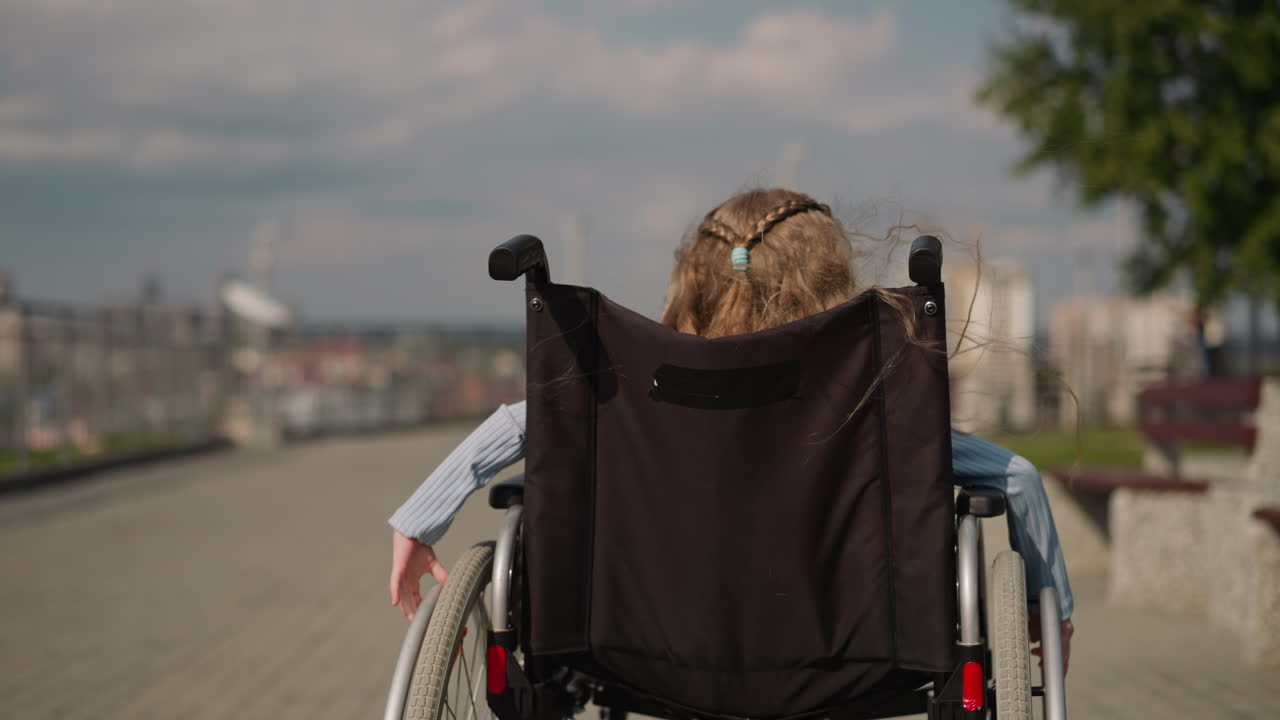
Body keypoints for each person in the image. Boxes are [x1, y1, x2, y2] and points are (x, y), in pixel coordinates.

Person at [388, 188, 1075, 671]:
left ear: (695, 281)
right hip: (848, 658)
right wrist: (1055, 610)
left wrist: (419, 521)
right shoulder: (868, 413)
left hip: (638, 652)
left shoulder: (627, 406)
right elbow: (1017, 477)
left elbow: (520, 424)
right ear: (829, 279)